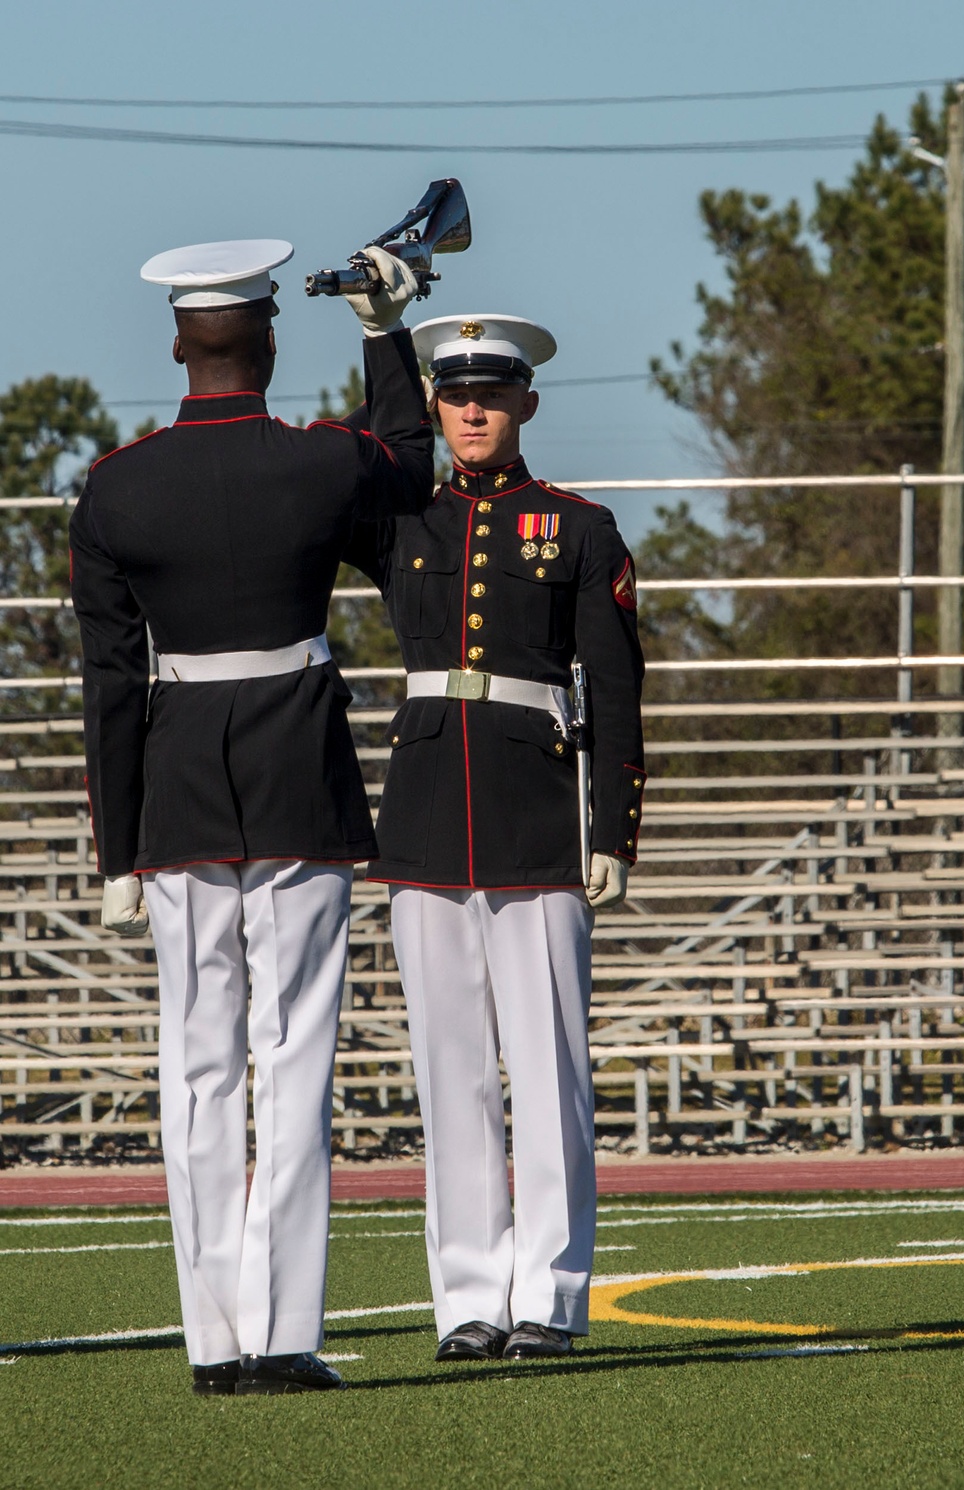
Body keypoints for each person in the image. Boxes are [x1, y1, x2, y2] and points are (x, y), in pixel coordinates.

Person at [70, 238, 434, 1395]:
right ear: (270, 339)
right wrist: (383, 330)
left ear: (179, 343)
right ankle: (282, 1335)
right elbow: (414, 463)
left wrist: (115, 842)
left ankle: (212, 1340)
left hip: (176, 789)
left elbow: (110, 679)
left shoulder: (117, 483)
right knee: (293, 1060)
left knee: (198, 1064)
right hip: (297, 779)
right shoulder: (319, 463)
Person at [345, 314, 645, 1362]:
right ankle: (470, 1296)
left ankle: (552, 1297)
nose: (472, 409)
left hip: (537, 817)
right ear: (435, 406)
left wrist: (613, 822)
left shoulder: (577, 526)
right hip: (426, 815)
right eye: (453, 393)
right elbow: (370, 457)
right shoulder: (400, 517)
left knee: (549, 1068)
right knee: (452, 1070)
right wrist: (383, 339)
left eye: (492, 392)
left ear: (526, 402)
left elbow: (614, 683)